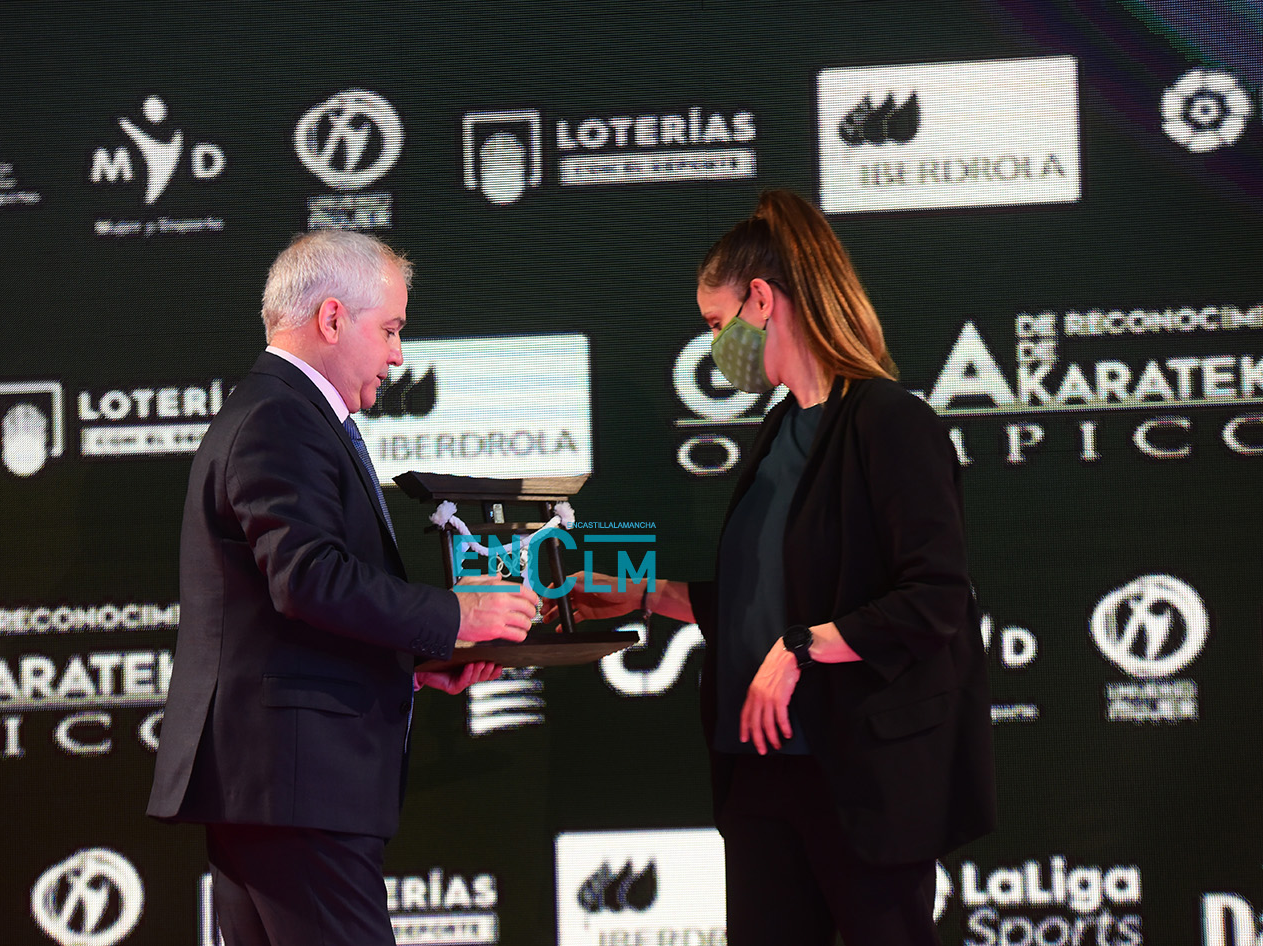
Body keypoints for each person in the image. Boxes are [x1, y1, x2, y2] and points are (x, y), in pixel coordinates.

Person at [562, 190, 994, 945]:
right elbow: (761, 597)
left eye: (714, 323)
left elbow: (933, 599)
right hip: (760, 769)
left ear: (760, 300)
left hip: (859, 775)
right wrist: (644, 595)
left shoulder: (890, 421)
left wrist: (801, 649)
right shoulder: (777, 430)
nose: (713, 347)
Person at [147, 229, 539, 946]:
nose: (398, 355)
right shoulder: (280, 417)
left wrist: (413, 664)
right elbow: (308, 577)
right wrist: (457, 614)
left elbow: (287, 607)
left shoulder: (283, 411)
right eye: (389, 329)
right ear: (332, 318)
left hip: (277, 785)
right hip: (294, 785)